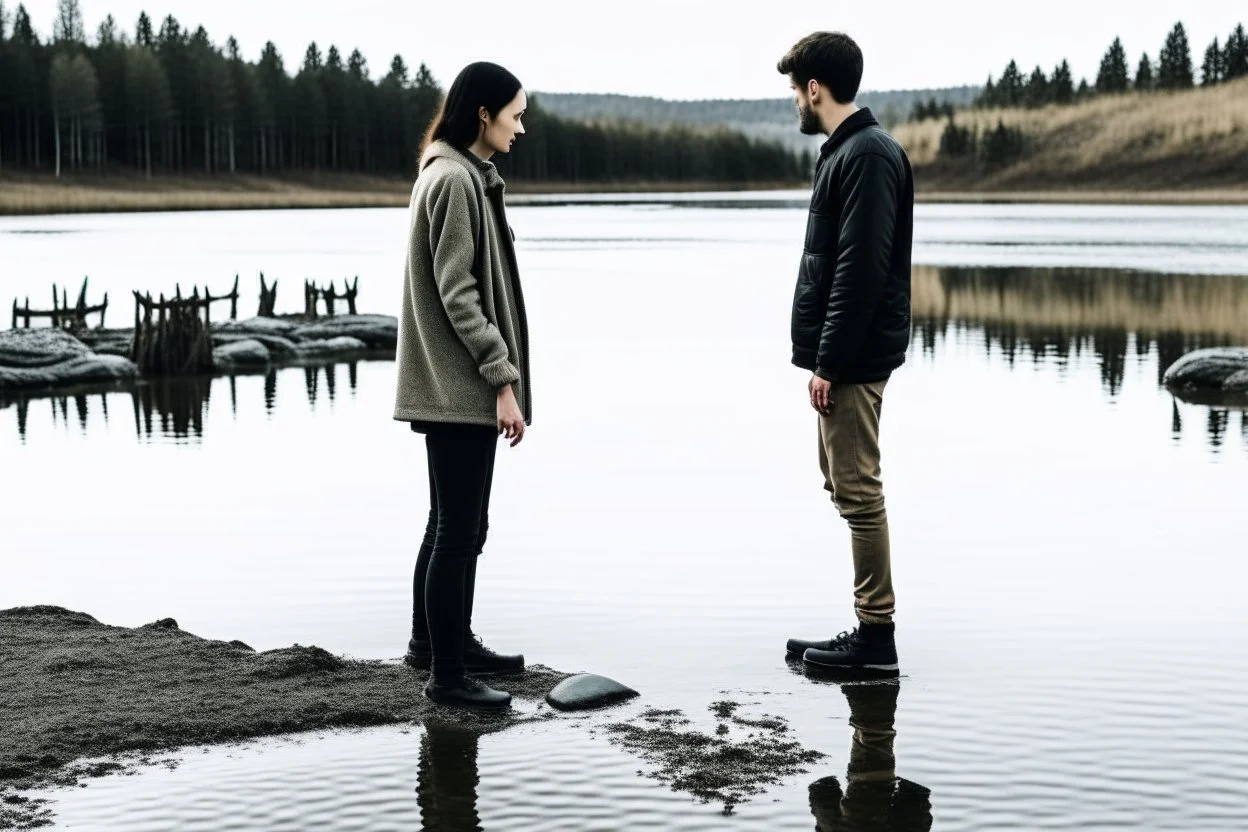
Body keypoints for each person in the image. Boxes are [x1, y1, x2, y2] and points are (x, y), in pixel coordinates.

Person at [393, 61, 532, 710]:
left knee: (449, 522)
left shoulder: (460, 174)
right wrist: (501, 379)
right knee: (460, 529)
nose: (520, 127)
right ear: (484, 114)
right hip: (459, 387)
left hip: (452, 384)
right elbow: (459, 292)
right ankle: (447, 675)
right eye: (515, 114)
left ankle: (440, 644)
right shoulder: (453, 180)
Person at [778, 33, 915, 675]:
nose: (794, 104)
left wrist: (829, 362)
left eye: (794, 90)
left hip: (854, 358)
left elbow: (859, 270)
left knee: (859, 489)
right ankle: (866, 627)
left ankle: (875, 639)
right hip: (845, 355)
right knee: (842, 482)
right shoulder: (848, 152)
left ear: (814, 88)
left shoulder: (866, 155)